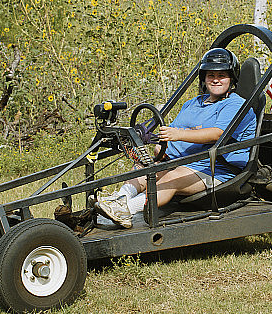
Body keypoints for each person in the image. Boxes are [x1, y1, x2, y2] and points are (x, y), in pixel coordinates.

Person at [96, 48, 257, 228]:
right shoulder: (193, 104)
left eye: (222, 75)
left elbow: (217, 134)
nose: (216, 79)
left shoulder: (236, 104)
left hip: (216, 168)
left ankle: (126, 210)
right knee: (143, 169)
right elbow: (174, 130)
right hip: (183, 162)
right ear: (204, 78)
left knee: (170, 179)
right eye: (211, 75)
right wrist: (162, 146)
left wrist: (178, 135)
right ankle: (118, 200)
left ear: (232, 78)